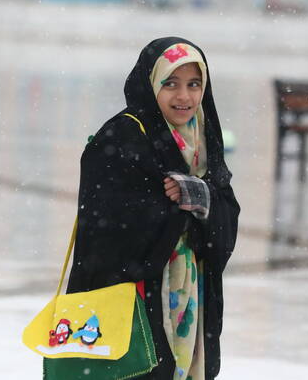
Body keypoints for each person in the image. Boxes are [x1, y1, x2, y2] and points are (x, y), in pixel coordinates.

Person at [66, 37, 240, 380]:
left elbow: (227, 217)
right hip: (131, 305)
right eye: (170, 83)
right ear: (150, 84)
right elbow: (107, 227)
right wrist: (177, 210)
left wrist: (201, 197)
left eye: (194, 84)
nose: (184, 96)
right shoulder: (120, 137)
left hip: (191, 301)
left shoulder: (204, 139)